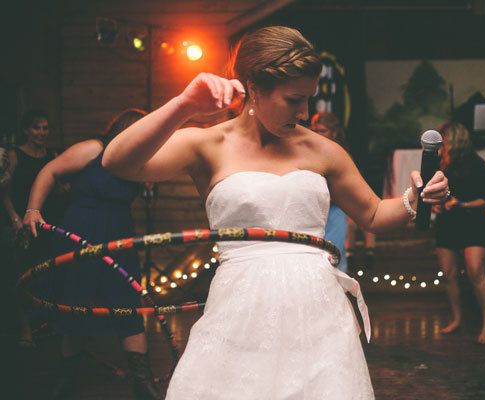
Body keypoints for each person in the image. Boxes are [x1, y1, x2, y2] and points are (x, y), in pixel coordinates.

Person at [102, 26, 449, 399]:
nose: (305, 112)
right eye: (294, 99)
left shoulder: (323, 150)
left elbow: (375, 215)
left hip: (318, 312)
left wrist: (415, 196)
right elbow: (117, 162)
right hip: (238, 309)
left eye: (310, 98)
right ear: (253, 88)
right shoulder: (208, 144)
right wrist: (185, 104)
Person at [23, 108, 163, 400]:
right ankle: (66, 382)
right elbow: (50, 171)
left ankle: (143, 384)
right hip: (80, 234)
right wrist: (33, 209)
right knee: (75, 303)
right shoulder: (92, 149)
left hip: (119, 239)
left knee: (129, 307)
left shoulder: (139, 161)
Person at [2, 110, 65, 348]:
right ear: (27, 130)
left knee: (50, 273)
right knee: (23, 276)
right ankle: (25, 330)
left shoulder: (52, 156)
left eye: (45, 128)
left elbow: (56, 190)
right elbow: (5, 191)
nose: (41, 133)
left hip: (50, 223)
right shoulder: (16, 155)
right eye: (37, 128)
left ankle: (47, 325)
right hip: (24, 224)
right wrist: (15, 218)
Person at [433, 121, 485, 344]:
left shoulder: (476, 165)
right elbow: (433, 194)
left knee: (476, 272)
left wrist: (462, 204)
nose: (441, 144)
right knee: (449, 274)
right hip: (447, 223)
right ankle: (457, 319)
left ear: (454, 139)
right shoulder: (442, 163)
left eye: (444, 140)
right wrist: (436, 205)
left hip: (472, 223)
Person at [311, 111, 349, 273]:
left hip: (335, 211)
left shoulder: (341, 155)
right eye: (315, 130)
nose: (318, 134)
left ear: (334, 132)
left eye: (323, 130)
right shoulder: (308, 153)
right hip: (314, 211)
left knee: (334, 255)